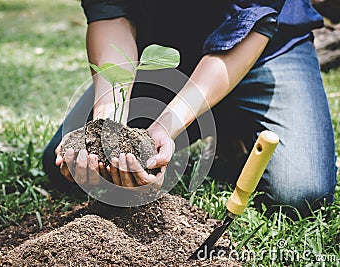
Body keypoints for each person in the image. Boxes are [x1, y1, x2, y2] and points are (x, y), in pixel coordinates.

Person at [42, 0, 337, 216]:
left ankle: (232, 124)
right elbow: (111, 12)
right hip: (166, 51)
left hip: (267, 49)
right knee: (67, 166)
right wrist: (108, 116)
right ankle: (224, 122)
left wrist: (165, 127)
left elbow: (250, 22)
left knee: (300, 194)